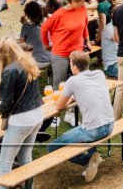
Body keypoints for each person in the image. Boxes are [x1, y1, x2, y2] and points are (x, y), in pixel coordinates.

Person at [49, 50, 114, 182]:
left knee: (52, 147)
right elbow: (88, 90)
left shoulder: (72, 81)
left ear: (74, 66)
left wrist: (68, 99)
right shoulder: (99, 74)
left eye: (70, 64)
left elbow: (59, 107)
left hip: (95, 130)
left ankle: (87, 160)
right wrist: (73, 97)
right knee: (87, 125)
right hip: (110, 125)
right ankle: (92, 156)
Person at [0, 38, 44, 178]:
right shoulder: (29, 63)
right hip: (37, 114)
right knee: (25, 158)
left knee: (4, 163)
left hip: (21, 120)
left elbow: (7, 103)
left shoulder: (10, 70)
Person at [41, 0, 91, 87]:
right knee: (60, 85)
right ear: (72, 1)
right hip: (61, 55)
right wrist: (46, 45)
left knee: (81, 82)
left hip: (78, 53)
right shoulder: (58, 14)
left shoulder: (82, 9)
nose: (83, 3)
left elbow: (84, 25)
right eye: (81, 1)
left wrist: (87, 40)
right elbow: (44, 29)